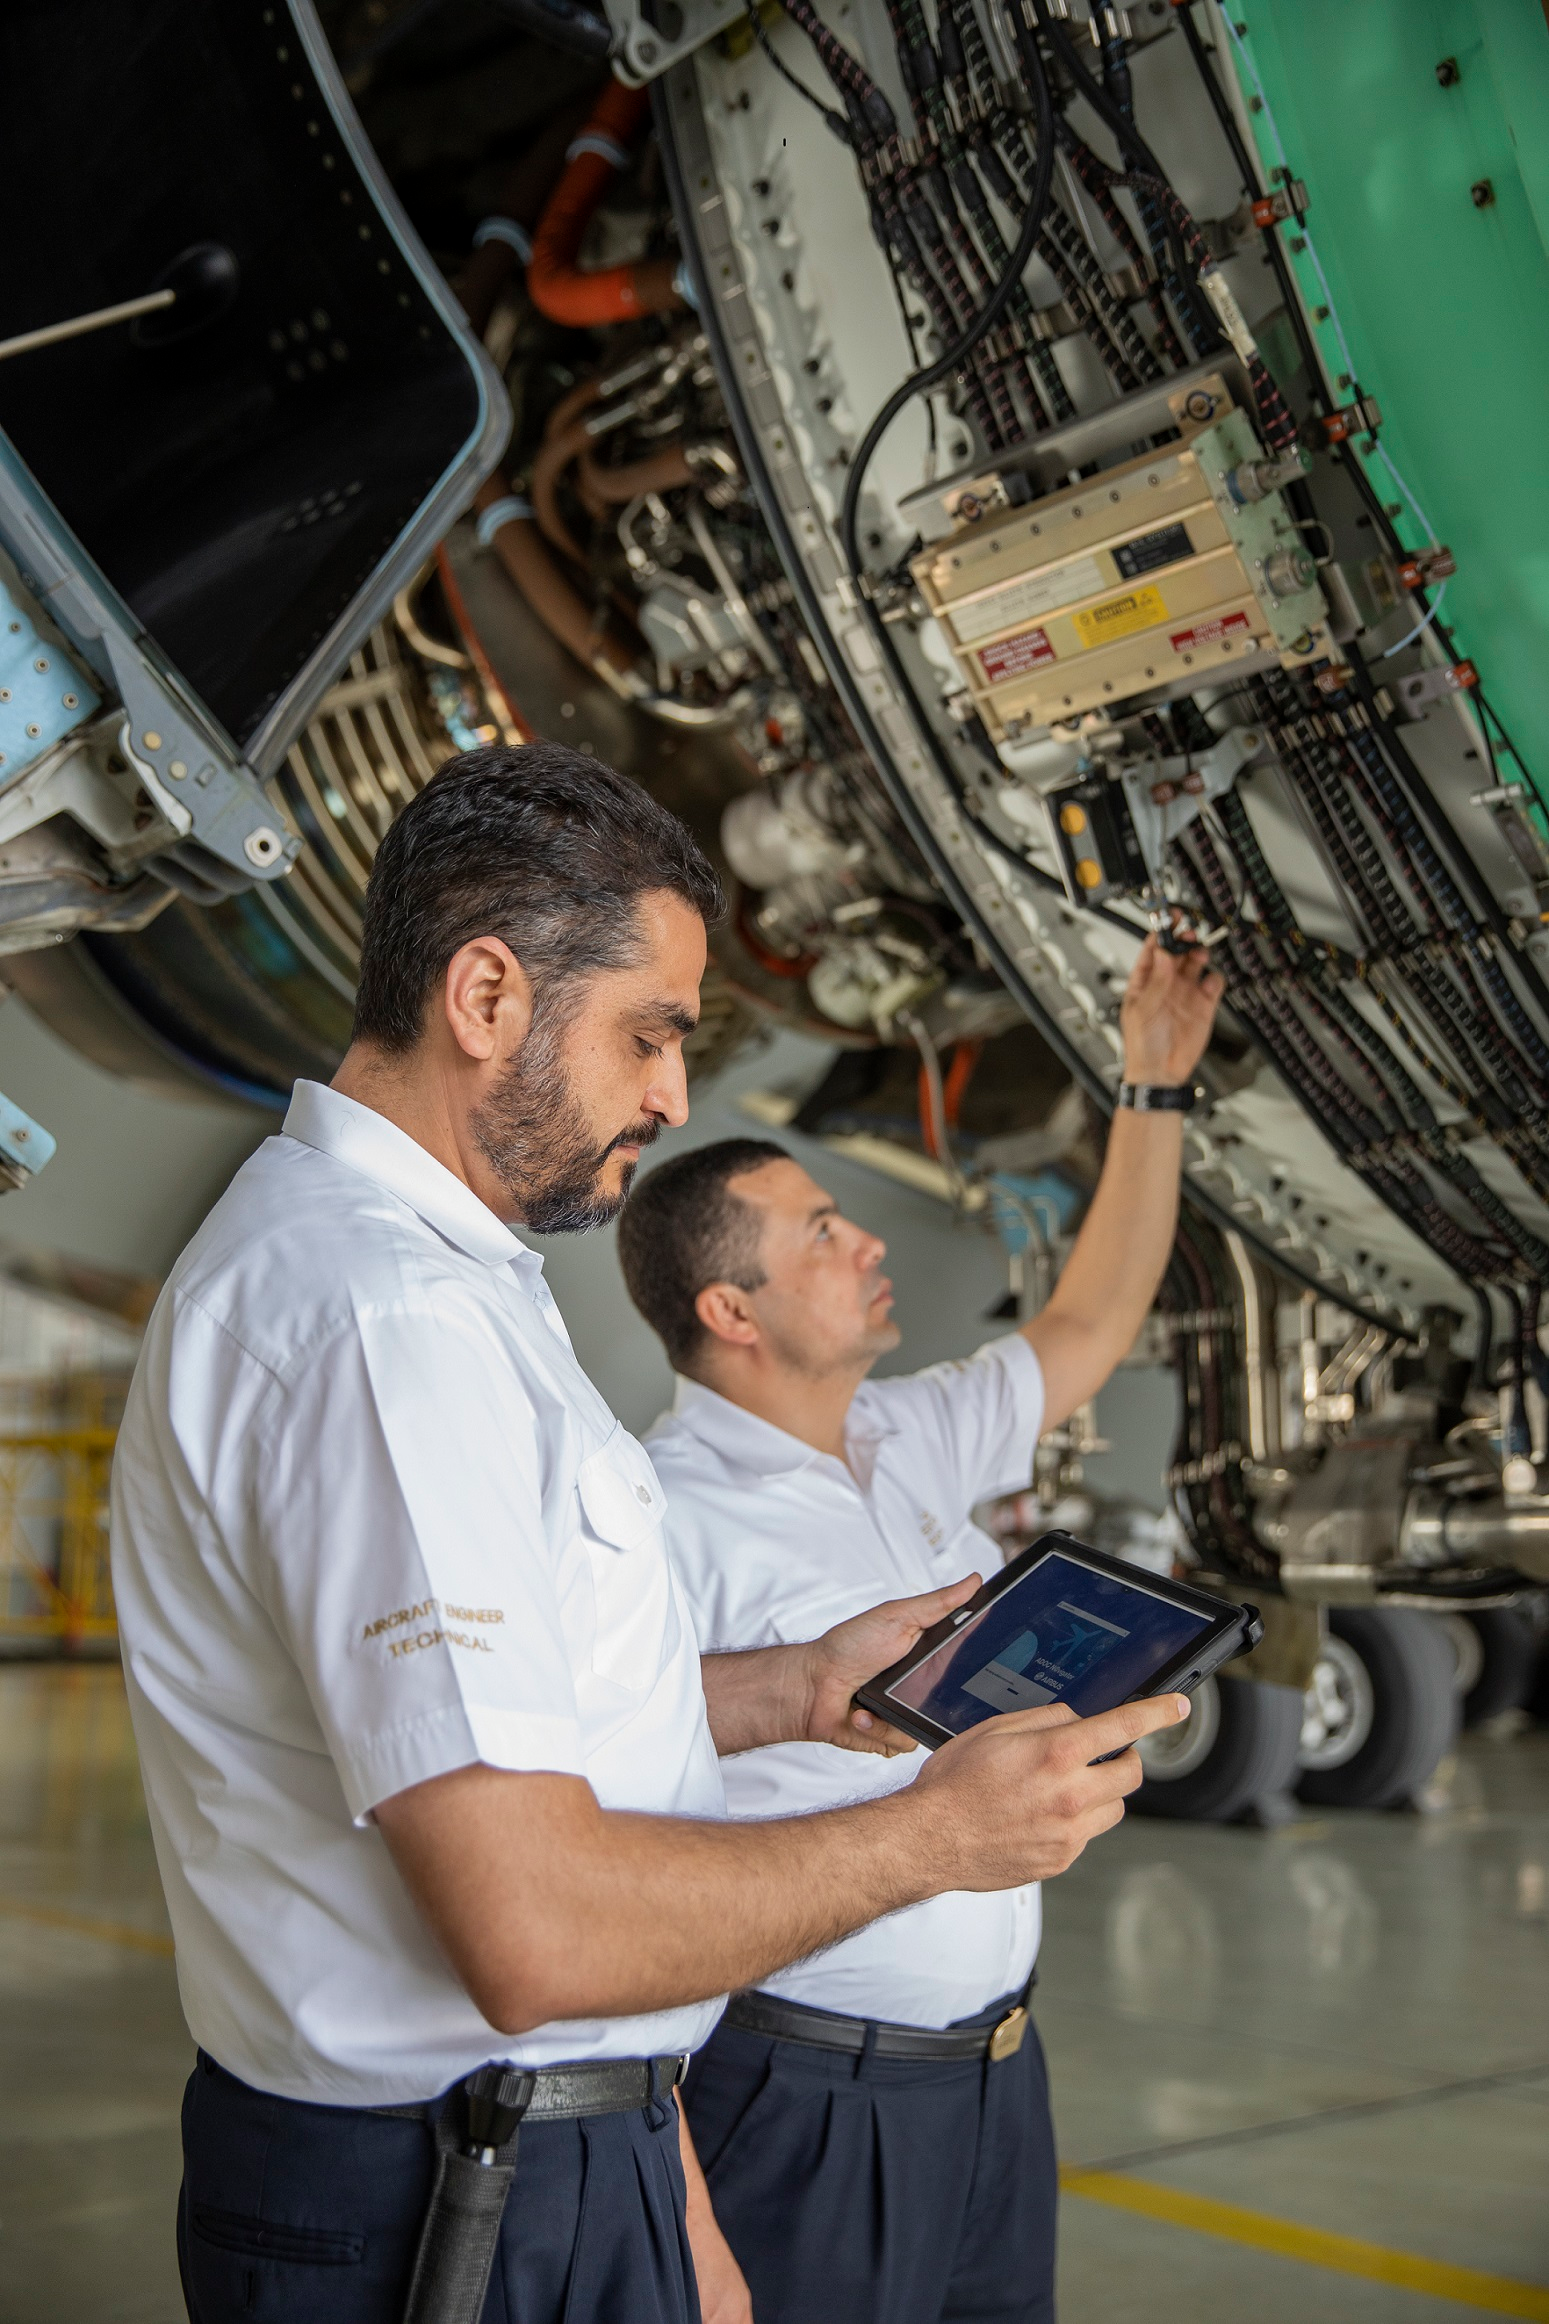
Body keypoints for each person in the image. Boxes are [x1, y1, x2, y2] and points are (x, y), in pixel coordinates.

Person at [111, 744, 1187, 2324]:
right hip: (447, 2197)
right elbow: (533, 1929)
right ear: (486, 1000)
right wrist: (938, 1839)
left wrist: (796, 1692)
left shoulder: (451, 1286)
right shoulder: (377, 1319)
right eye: (650, 1036)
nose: (675, 1093)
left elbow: (528, 1745)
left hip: (551, 2150)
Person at [618, 928, 1223, 2324]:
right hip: (803, 2098)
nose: (867, 1240)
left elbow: (1092, 1318)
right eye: (820, 1235)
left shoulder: (912, 1433)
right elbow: (609, 1796)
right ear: (731, 1310)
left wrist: (1155, 1086)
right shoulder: (658, 1513)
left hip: (999, 2075)